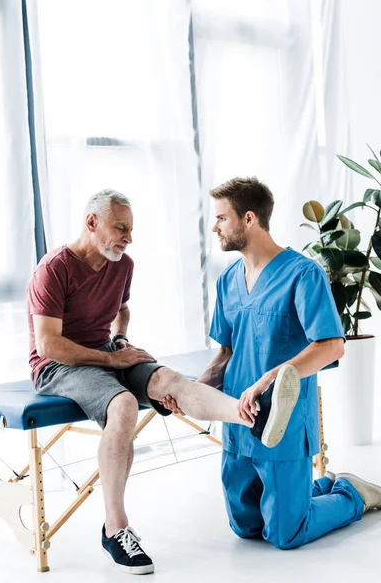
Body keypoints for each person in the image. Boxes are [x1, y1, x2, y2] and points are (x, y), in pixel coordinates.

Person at [27, 188, 299, 574]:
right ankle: (114, 528)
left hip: (107, 352)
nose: (128, 237)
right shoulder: (54, 269)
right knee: (122, 404)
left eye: (131, 229)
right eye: (120, 228)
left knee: (171, 379)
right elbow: (49, 344)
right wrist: (111, 358)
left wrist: (119, 340)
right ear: (91, 223)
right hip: (58, 366)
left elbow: (121, 309)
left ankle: (254, 417)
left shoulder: (122, 264)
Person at [163, 176, 381, 549]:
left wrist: (270, 377)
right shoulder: (228, 280)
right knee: (245, 526)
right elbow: (226, 355)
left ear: (249, 219)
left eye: (221, 218)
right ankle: (318, 487)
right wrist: (192, 392)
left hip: (283, 426)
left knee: (285, 533)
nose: (214, 227)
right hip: (237, 421)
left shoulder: (303, 274)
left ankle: (352, 493)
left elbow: (331, 346)